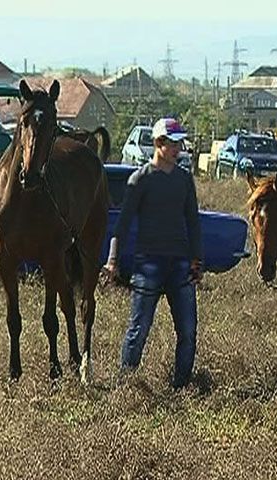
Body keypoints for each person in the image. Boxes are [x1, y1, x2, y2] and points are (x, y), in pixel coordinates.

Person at [102, 117, 203, 389]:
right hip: (149, 264)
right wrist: (112, 261)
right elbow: (121, 225)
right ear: (159, 144)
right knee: (139, 330)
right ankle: (125, 387)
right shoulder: (141, 179)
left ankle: (181, 387)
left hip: (180, 264)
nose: (178, 149)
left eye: (180, 143)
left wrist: (196, 260)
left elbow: (192, 221)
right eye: (173, 143)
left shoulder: (184, 179)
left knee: (188, 331)